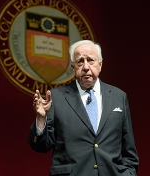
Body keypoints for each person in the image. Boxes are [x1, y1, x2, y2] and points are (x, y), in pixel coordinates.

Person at [28, 40, 139, 176]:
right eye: (80, 61)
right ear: (73, 67)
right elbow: (41, 146)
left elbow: (129, 151)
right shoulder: (57, 98)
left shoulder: (118, 97)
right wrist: (41, 118)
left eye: (91, 60)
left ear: (100, 65)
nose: (86, 67)